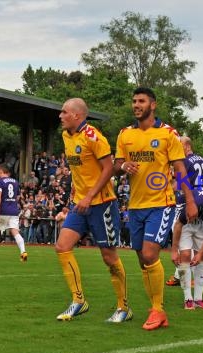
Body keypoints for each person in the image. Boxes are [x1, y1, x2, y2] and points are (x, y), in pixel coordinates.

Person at [113, 87, 197, 331]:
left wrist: (190, 200)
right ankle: (156, 309)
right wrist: (124, 165)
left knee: (150, 255)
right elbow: (117, 165)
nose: (136, 105)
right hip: (135, 205)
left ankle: (158, 310)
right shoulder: (124, 134)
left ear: (153, 105)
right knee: (143, 260)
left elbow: (180, 170)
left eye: (141, 101)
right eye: (134, 101)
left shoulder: (168, 133)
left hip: (161, 203)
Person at [55, 98, 130, 323]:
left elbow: (109, 168)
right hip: (80, 204)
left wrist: (89, 196)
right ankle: (78, 301)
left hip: (102, 204)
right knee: (62, 246)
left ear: (77, 115)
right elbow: (78, 172)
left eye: (64, 112)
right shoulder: (66, 136)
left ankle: (123, 307)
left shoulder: (94, 137)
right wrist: (76, 198)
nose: (60, 116)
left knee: (109, 257)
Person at [166, 136, 203, 287]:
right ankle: (180, 276)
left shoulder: (183, 162)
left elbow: (179, 185)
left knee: (181, 239)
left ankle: (185, 277)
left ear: (186, 146)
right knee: (196, 243)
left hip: (188, 203)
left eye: (179, 145)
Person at [0, 164, 28, 261]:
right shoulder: (15, 182)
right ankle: (23, 252)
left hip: (3, 210)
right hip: (13, 211)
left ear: (2, 170)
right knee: (15, 232)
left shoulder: (0, 181)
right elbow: (18, 197)